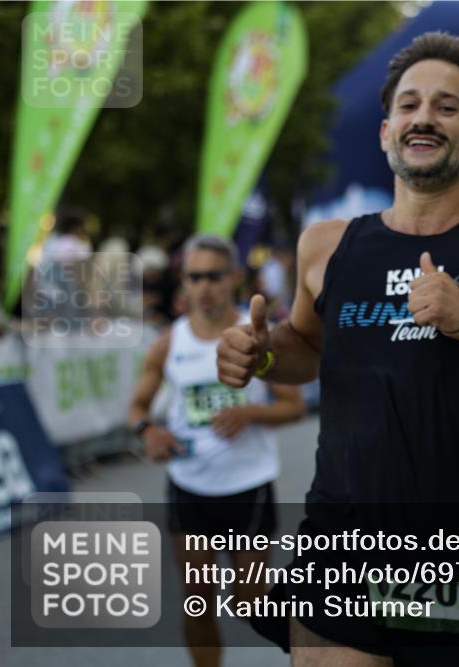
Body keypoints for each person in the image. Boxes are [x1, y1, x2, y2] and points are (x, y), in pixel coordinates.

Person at [216, 32, 459, 666]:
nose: (424, 117)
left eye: (447, 107)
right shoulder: (326, 244)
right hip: (337, 540)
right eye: (410, 105)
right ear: (386, 130)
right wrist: (261, 354)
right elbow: (309, 347)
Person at [127, 234, 305, 667]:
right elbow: (136, 408)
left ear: (234, 279)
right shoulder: (169, 343)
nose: (203, 286)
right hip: (189, 487)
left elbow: (294, 405)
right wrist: (148, 430)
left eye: (213, 276)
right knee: (198, 600)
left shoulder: (257, 335)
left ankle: (319, 649)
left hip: (247, 486)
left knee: (249, 605)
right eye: (194, 276)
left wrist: (249, 414)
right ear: (182, 282)